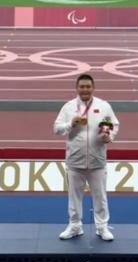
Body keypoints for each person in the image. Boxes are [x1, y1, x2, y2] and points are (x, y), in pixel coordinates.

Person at [53, 74, 120, 241]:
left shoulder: (103, 106)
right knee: (74, 197)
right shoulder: (68, 107)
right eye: (82, 87)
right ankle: (75, 226)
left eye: (88, 86)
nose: (85, 90)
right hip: (75, 160)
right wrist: (71, 124)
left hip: (97, 160)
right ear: (77, 88)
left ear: (93, 87)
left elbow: (113, 124)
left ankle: (102, 227)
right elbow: (56, 129)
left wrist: (109, 136)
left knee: (100, 196)